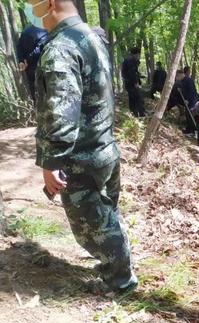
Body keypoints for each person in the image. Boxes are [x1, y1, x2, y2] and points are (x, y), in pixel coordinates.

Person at [32, 0, 137, 293]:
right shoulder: (91, 37)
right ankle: (116, 270)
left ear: (50, 3)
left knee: (93, 229)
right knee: (107, 216)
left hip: (81, 160)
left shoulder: (60, 48)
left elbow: (61, 113)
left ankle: (121, 284)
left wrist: (51, 162)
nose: (32, 12)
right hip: (105, 150)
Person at [16, 23, 48, 101]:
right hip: (39, 69)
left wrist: (23, 60)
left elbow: (19, 47)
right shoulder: (45, 30)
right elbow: (38, 50)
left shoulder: (26, 32)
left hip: (35, 69)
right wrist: (22, 61)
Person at [121, 47, 145, 117]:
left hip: (129, 82)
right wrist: (135, 83)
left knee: (132, 98)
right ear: (136, 54)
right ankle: (141, 114)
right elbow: (132, 73)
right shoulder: (130, 61)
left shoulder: (128, 60)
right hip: (131, 83)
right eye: (138, 55)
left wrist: (139, 76)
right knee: (138, 98)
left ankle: (134, 114)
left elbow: (133, 72)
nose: (139, 56)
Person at [180, 66, 199, 136]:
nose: (190, 72)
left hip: (192, 100)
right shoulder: (186, 79)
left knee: (191, 114)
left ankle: (193, 131)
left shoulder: (188, 80)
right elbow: (186, 91)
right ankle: (189, 129)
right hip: (190, 100)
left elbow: (191, 91)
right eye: (189, 71)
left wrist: (187, 99)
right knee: (188, 114)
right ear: (187, 72)